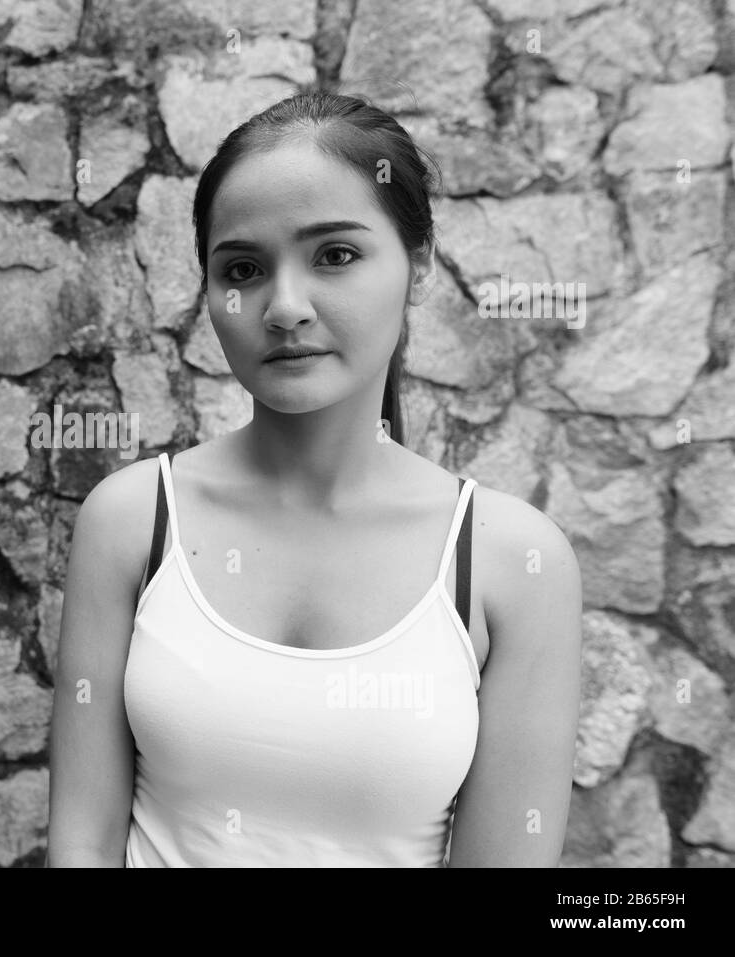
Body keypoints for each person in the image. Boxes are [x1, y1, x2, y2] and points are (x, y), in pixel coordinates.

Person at [46, 91, 583, 867]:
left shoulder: (513, 562)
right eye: (244, 268)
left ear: (420, 262)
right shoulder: (131, 521)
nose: (285, 307)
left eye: (334, 254)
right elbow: (83, 842)